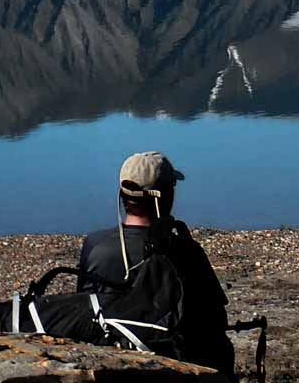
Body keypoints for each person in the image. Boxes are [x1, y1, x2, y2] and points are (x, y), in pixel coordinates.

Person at [77, 152, 234, 376]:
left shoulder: (94, 245)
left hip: (112, 364)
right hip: (175, 366)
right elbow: (216, 321)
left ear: (122, 195)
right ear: (166, 196)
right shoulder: (185, 251)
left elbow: (86, 306)